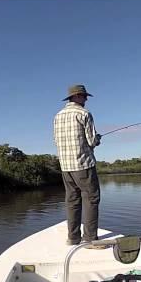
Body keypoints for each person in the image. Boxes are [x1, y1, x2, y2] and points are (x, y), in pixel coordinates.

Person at [53, 84, 102, 245]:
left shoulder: (57, 116)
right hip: (83, 165)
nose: (86, 99)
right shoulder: (84, 113)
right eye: (84, 96)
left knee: (72, 201)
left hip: (65, 167)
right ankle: (90, 239)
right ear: (76, 97)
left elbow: (56, 141)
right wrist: (98, 139)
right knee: (91, 199)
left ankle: (73, 238)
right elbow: (92, 141)